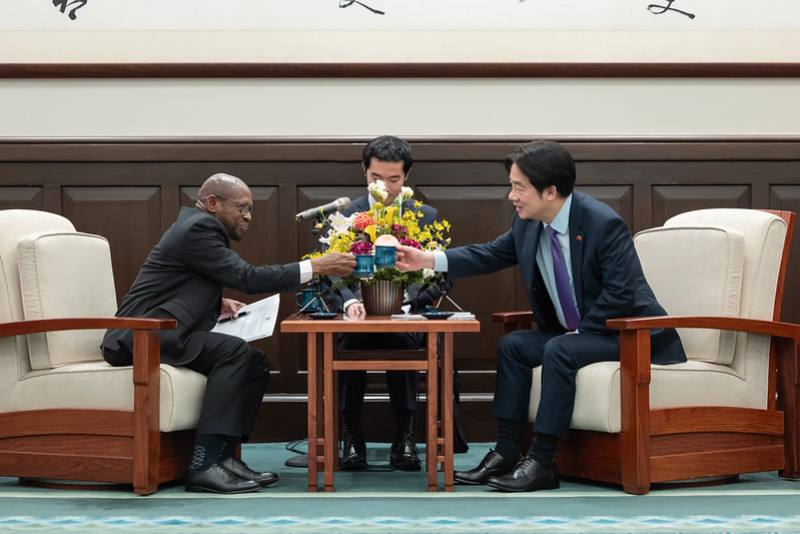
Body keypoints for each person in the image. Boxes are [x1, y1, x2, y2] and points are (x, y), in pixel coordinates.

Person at [395, 140, 686, 492]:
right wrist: (426, 260)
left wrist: (580, 335)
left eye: (519, 187)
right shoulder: (529, 225)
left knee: (560, 351)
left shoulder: (602, 223)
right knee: (514, 346)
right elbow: (488, 254)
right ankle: (505, 451)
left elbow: (620, 293)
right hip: (580, 335)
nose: (511, 196)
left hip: (627, 333)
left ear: (550, 192)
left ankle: (542, 461)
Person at [101, 173, 355, 494]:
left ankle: (224, 458)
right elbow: (245, 277)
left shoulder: (195, 227)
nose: (248, 217)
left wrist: (214, 302)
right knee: (235, 353)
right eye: (242, 208)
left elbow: (178, 281)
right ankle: (204, 465)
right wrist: (316, 267)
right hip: (142, 336)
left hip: (165, 331)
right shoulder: (199, 228)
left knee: (254, 361)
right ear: (212, 204)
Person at [320, 135, 453, 471]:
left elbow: (442, 275)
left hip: (406, 317)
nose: (385, 186)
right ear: (364, 172)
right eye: (376, 178)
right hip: (355, 317)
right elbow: (328, 272)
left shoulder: (425, 216)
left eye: (393, 179)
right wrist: (349, 301)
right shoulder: (344, 214)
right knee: (350, 340)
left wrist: (410, 302)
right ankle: (351, 437)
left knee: (402, 341)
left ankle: (405, 437)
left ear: (406, 176)